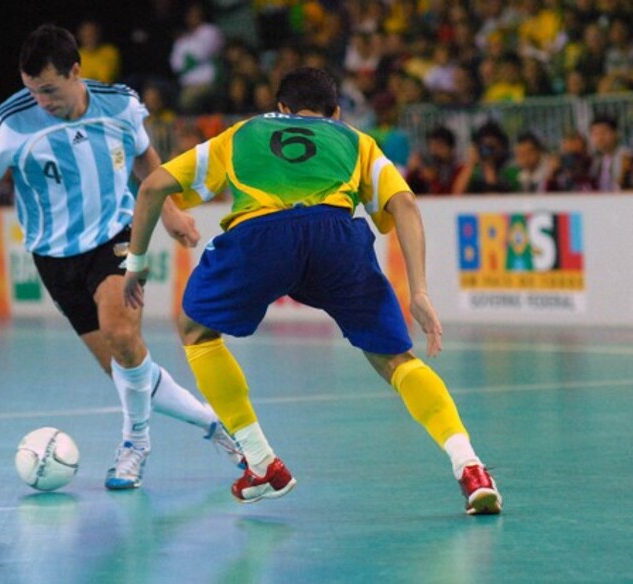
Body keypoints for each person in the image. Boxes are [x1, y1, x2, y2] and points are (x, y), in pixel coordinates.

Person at [122, 67, 502, 515]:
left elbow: (151, 188)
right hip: (336, 239)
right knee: (397, 359)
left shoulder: (244, 133)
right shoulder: (355, 141)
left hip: (261, 238)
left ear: (279, 108)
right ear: (335, 112)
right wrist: (419, 291)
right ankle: (470, 467)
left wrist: (138, 263)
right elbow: (405, 205)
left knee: (195, 329)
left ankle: (261, 462)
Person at [0, 24, 243, 491]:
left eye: (49, 90)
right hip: (53, 257)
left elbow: (144, 156)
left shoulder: (120, 104)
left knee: (120, 333)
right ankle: (213, 423)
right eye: (33, 91)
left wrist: (170, 212)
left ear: (77, 71)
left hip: (115, 236)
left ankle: (134, 443)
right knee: (125, 366)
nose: (42, 102)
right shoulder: (11, 120)